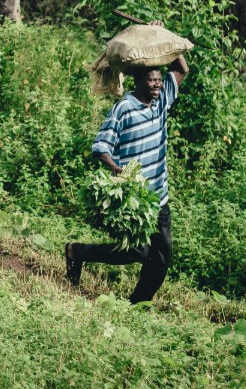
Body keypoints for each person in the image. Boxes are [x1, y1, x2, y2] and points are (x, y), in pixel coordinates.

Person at [64, 21, 189, 303]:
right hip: (135, 199)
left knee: (161, 256)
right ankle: (76, 252)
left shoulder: (161, 101)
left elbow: (181, 69)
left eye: (159, 79)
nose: (157, 84)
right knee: (138, 252)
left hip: (159, 196)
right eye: (151, 80)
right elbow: (100, 148)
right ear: (138, 81)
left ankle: (137, 305)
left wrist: (163, 33)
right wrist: (118, 170)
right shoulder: (123, 108)